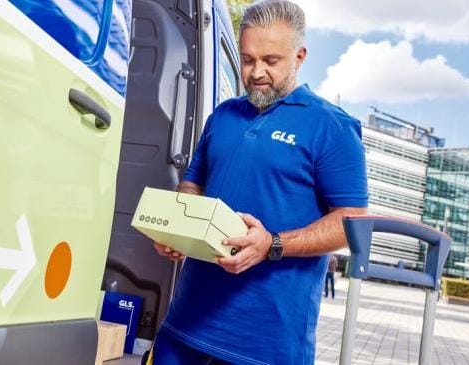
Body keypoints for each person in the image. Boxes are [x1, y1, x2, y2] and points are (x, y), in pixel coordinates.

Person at [149, 1, 368, 364]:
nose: (256, 72)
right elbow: (193, 183)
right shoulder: (223, 116)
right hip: (186, 323)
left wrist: (273, 244)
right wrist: (178, 230)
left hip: (267, 344)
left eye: (271, 61)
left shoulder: (332, 127)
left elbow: (352, 221)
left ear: (299, 56)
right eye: (248, 60)